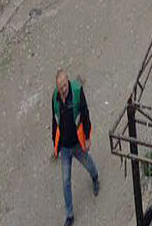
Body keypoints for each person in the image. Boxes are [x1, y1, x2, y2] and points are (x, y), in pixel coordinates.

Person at [51, 69, 100, 226]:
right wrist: (55, 146)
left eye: (64, 86)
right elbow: (55, 121)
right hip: (65, 147)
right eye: (60, 87)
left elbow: (85, 114)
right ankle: (69, 215)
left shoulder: (77, 93)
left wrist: (86, 138)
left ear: (68, 82)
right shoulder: (55, 99)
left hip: (78, 143)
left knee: (89, 165)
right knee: (65, 181)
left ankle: (95, 178)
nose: (63, 90)